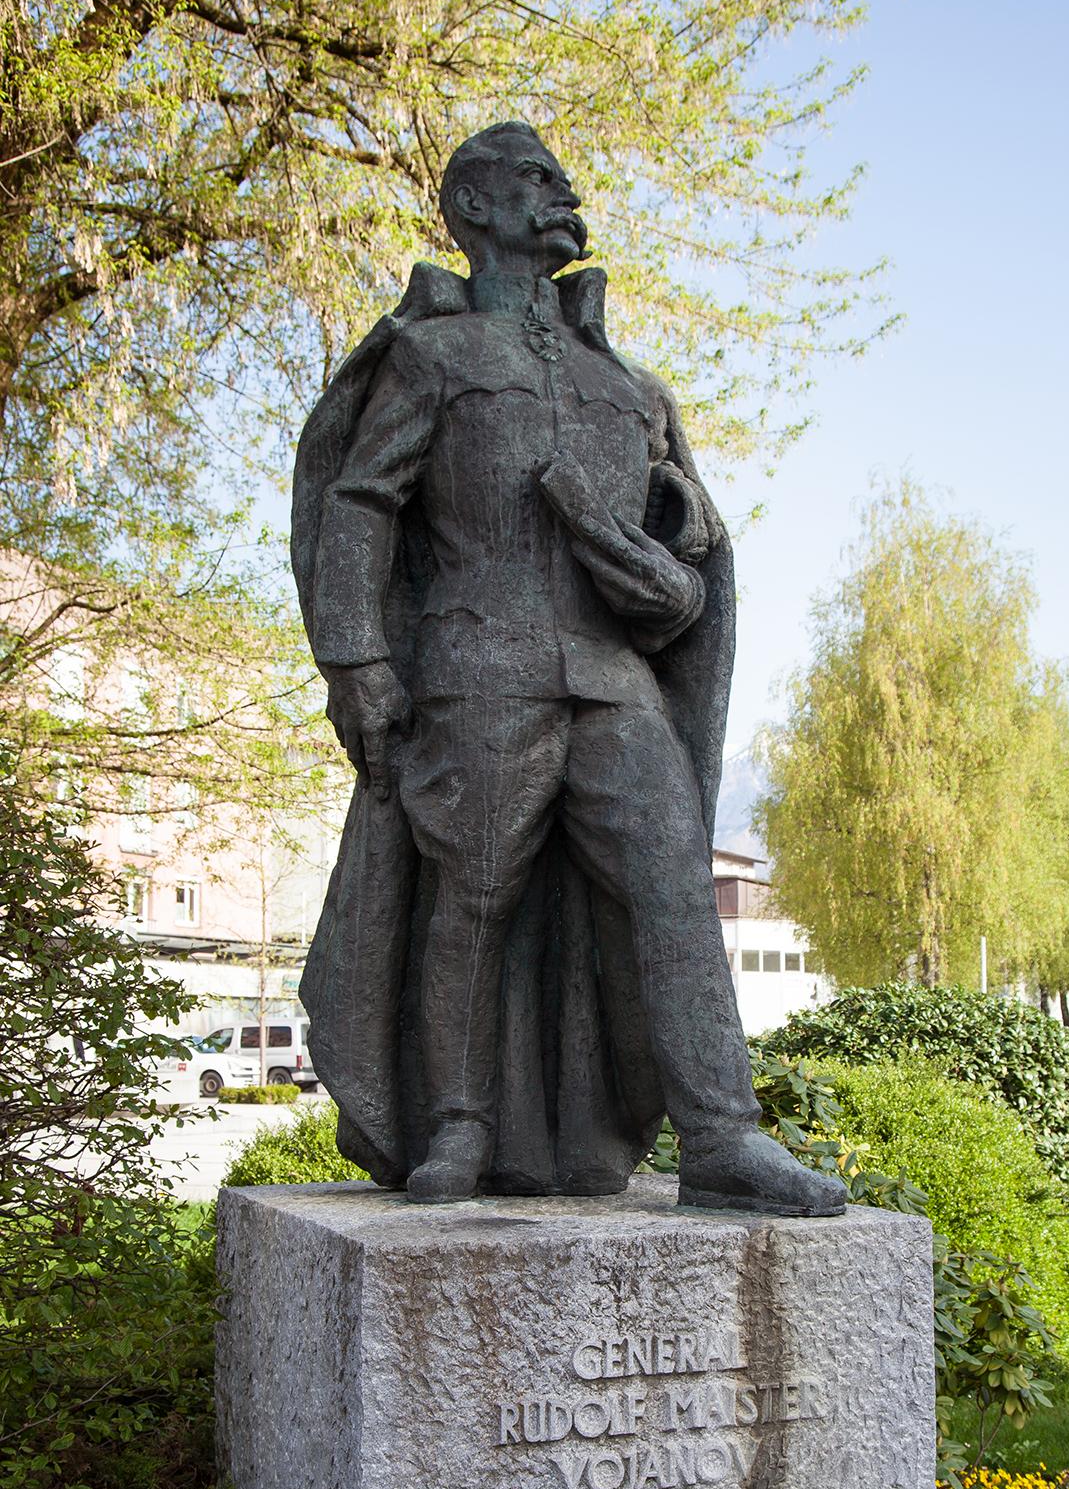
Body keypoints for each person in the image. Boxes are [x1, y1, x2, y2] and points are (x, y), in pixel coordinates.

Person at [293, 121, 843, 1218]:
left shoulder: (629, 387)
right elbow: (359, 505)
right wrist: (356, 658)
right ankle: (456, 1124)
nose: (563, 193)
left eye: (561, 179)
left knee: (673, 884)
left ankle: (724, 1135)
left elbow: (686, 545)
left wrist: (673, 579)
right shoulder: (433, 355)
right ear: (474, 210)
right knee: (476, 891)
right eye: (535, 180)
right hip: (473, 662)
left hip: (610, 674)